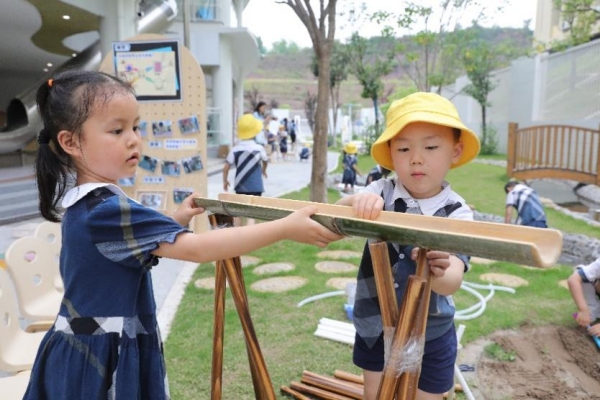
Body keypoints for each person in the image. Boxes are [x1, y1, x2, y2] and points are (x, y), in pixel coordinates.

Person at [24, 70, 342, 399]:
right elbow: (198, 249)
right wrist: (284, 227)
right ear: (71, 142)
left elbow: (122, 249)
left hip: (80, 348)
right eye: (117, 130)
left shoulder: (91, 205)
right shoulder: (107, 210)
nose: (133, 138)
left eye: (135, 126)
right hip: (100, 360)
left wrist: (176, 218)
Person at [335, 92, 481, 400]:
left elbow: (453, 280)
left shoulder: (458, 213)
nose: (416, 157)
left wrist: (440, 271)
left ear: (455, 152)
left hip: (433, 331)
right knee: (378, 395)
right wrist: (357, 201)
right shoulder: (380, 192)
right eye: (403, 148)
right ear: (390, 152)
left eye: (430, 147)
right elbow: (338, 211)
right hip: (374, 323)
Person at [223, 114, 271, 225]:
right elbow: (265, 160)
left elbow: (226, 167)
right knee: (252, 213)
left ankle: (238, 236)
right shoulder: (259, 148)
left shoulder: (235, 150)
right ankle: (250, 236)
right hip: (256, 185)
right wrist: (264, 170)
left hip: (241, 185)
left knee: (238, 212)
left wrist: (225, 181)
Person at [567, 258, 600, 338]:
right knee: (590, 316)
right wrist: (583, 310)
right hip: (592, 287)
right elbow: (573, 280)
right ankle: (591, 307)